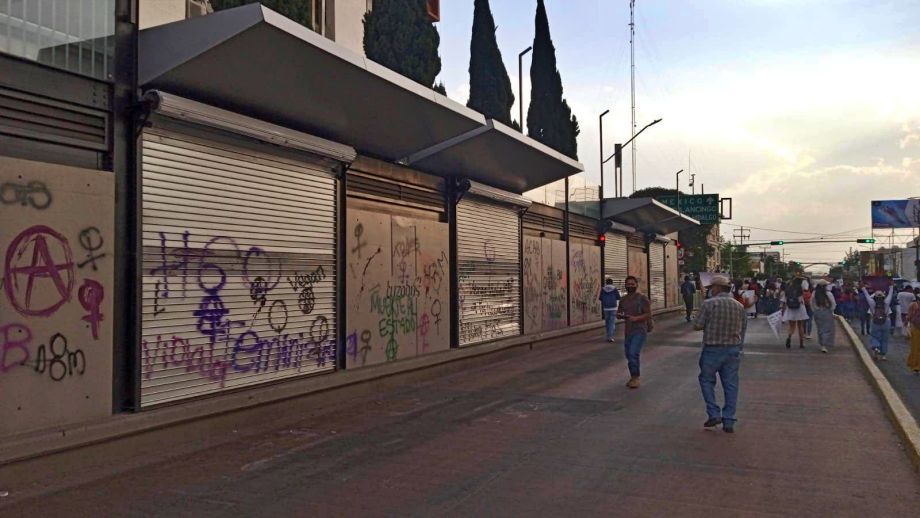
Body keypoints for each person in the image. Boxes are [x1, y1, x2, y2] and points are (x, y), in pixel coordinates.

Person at [693, 275, 746, 433]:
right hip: (733, 349)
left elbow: (697, 325)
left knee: (706, 380)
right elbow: (743, 329)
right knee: (731, 384)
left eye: (711, 288)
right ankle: (729, 419)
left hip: (712, 349)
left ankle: (713, 413)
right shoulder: (739, 306)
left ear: (716, 288)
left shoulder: (709, 304)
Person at [617, 276, 651, 389]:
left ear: (636, 285)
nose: (630, 286)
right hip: (628, 330)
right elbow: (619, 311)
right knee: (628, 354)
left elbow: (648, 314)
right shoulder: (623, 299)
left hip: (640, 330)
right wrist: (620, 315)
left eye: (632, 284)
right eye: (628, 284)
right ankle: (633, 376)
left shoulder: (642, 299)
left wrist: (636, 318)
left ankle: (635, 377)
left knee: (633, 353)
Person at [864, 285, 894, 360]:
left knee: (874, 336)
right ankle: (883, 355)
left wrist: (863, 288)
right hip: (886, 321)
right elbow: (890, 294)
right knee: (885, 339)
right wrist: (891, 287)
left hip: (875, 321)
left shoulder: (872, 303)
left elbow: (866, 295)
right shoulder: (886, 302)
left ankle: (876, 347)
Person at [781, 277, 808, 349]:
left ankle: (789, 337)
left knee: (791, 326)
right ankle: (801, 343)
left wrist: (783, 310)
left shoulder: (788, 289)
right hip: (800, 309)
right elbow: (801, 300)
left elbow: (784, 301)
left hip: (790, 309)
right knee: (800, 326)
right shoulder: (800, 290)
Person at [810, 280, 837, 353]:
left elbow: (811, 303)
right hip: (827, 312)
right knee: (827, 329)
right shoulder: (829, 294)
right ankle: (825, 345)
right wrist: (831, 311)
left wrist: (815, 311)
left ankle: (822, 344)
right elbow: (833, 304)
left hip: (817, 313)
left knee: (820, 329)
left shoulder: (814, 293)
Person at [598, 278, 622, 342]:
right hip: (613, 308)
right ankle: (610, 337)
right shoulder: (614, 289)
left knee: (607, 322)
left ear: (606, 282)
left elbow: (600, 298)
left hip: (606, 308)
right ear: (612, 283)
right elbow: (618, 297)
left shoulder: (603, 289)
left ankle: (608, 335)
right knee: (612, 322)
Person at [907, 292, 920, 374]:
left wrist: (907, 322)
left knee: (915, 347)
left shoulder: (913, 305)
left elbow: (910, 316)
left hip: (915, 329)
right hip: (915, 328)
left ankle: (914, 364)